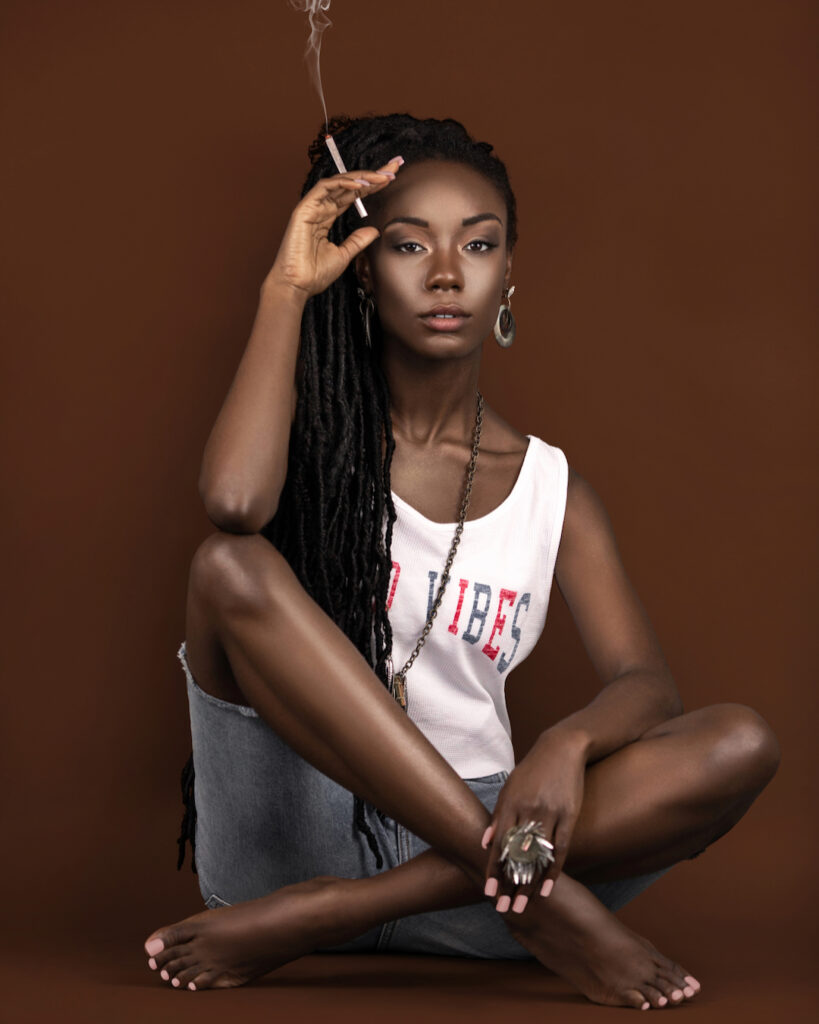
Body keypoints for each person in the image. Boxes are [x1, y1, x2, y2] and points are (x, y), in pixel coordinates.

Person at [143, 113, 780, 1008]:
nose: (446, 274)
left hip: (484, 863)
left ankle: (331, 915)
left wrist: (565, 742)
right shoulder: (310, 441)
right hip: (297, 832)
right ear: (361, 268)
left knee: (740, 741)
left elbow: (646, 685)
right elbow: (234, 508)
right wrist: (287, 290)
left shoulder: (550, 486)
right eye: (409, 246)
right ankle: (545, 914)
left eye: (478, 245)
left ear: (509, 270)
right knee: (229, 566)